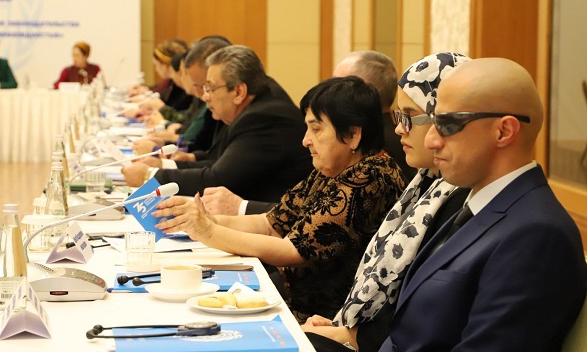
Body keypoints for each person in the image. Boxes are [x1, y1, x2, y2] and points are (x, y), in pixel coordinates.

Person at [350, 58, 587, 352]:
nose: (431, 140)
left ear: (504, 131)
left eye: (448, 124)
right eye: (432, 122)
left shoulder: (537, 237)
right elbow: (405, 341)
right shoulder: (478, 202)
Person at [152, 75, 406, 322]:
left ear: (352, 135)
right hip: (294, 296)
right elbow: (271, 223)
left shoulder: (370, 177)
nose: (305, 140)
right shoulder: (334, 168)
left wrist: (209, 231)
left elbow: (293, 251)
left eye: (316, 129)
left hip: (327, 318)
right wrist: (207, 219)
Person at [301, 52, 471, 352]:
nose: (398, 129)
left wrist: (350, 335)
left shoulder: (459, 199)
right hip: (368, 336)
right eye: (396, 116)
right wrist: (343, 327)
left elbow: (426, 310)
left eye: (409, 117)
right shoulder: (425, 182)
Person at [200, 50, 414, 216]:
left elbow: (304, 233)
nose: (306, 140)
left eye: (337, 84)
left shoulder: (378, 155)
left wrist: (224, 219)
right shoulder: (332, 156)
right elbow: (293, 213)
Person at [122, 45, 313, 203]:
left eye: (211, 88)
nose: (205, 96)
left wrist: (150, 175)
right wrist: (165, 164)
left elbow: (218, 180)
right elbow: (220, 163)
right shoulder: (257, 103)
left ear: (238, 92)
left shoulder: (262, 118)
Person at [333, 51, 415, 182]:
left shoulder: (373, 144)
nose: (329, 91)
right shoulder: (393, 131)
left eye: (337, 84)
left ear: (362, 91)